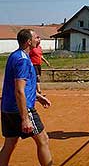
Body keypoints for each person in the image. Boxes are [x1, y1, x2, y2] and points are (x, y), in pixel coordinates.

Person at [0, 29, 52, 166]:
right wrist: (25, 119)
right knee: (43, 140)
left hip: (8, 108)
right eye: (37, 37)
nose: (39, 40)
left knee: (10, 143)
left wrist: (38, 96)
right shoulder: (23, 60)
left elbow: (19, 87)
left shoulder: (15, 56)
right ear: (29, 41)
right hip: (21, 109)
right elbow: (19, 90)